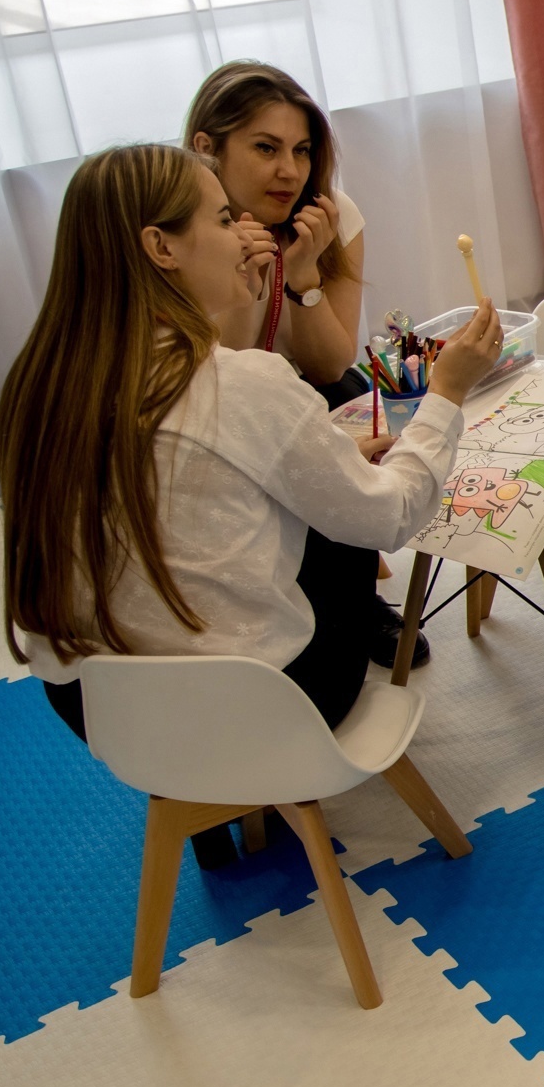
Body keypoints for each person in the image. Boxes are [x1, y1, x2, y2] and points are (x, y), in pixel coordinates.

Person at [0, 145, 501, 857]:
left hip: (105, 715)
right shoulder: (240, 384)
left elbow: (186, 478)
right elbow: (392, 515)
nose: (247, 235)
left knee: (270, 516)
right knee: (342, 534)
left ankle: (204, 814)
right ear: (161, 247)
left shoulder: (41, 388)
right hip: (259, 712)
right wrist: (447, 391)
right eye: (225, 218)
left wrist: (317, 458)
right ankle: (246, 779)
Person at [183, 60, 421, 666]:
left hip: (300, 384)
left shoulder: (330, 212)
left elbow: (330, 362)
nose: (289, 171)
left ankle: (357, 596)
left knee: (346, 399)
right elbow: (220, 375)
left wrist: (303, 278)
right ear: (207, 148)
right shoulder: (184, 231)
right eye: (265, 148)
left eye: (302, 150)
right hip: (213, 397)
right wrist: (244, 278)